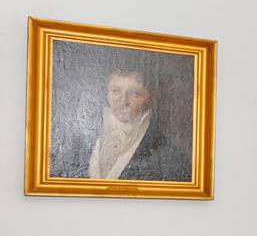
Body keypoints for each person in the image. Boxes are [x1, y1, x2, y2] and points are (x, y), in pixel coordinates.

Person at [52, 61, 192, 181]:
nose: (124, 101)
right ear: (106, 93)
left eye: (135, 93)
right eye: (115, 91)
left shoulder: (169, 154)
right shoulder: (81, 138)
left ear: (148, 97)